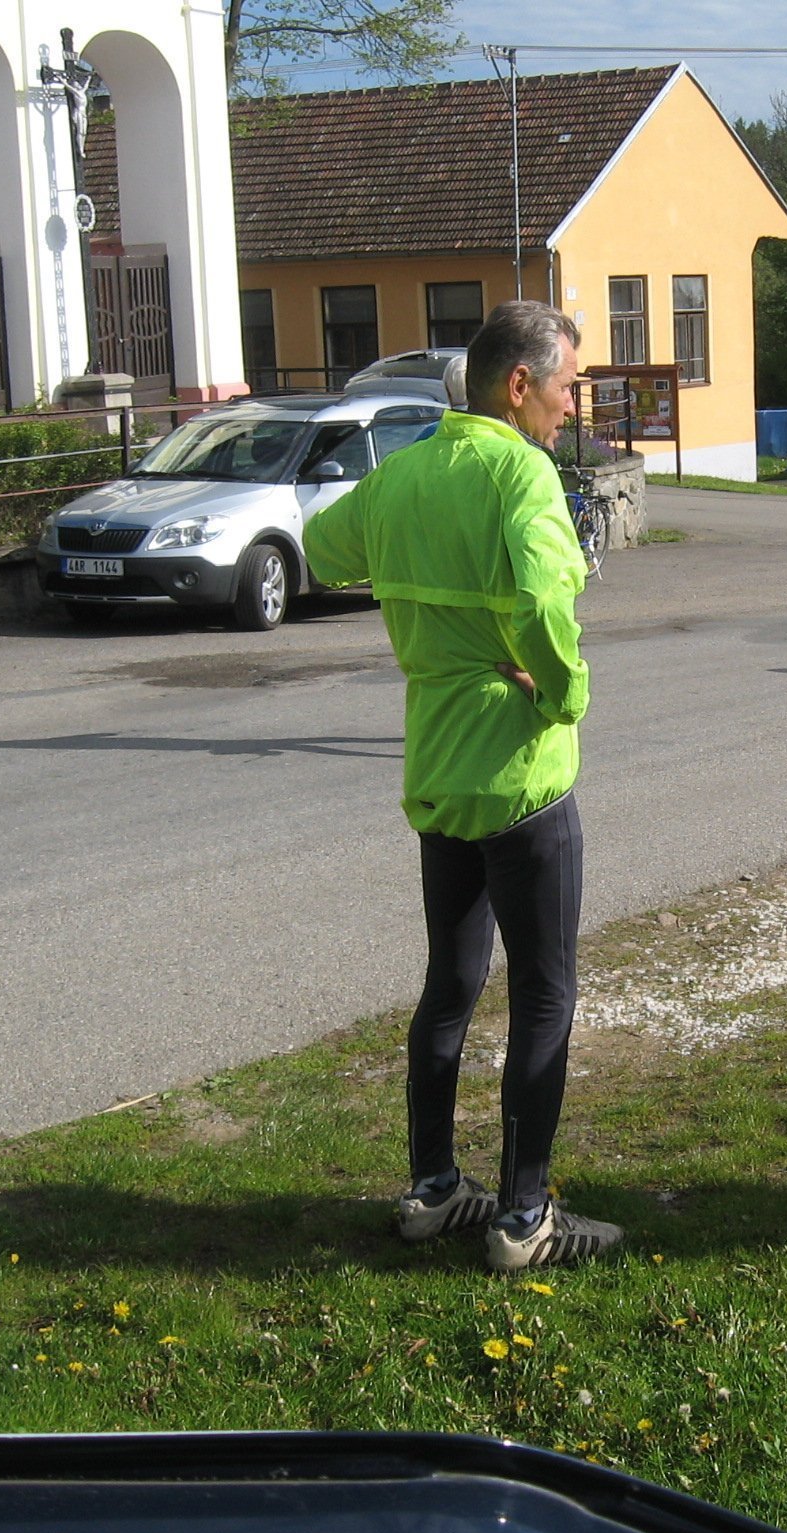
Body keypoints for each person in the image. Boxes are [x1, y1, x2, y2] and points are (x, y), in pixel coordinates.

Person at [302, 300, 623, 1271]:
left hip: (438, 769)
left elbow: (322, 550)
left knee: (449, 985)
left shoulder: (404, 474)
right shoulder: (518, 472)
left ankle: (432, 1188)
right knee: (543, 996)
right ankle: (524, 1221)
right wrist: (561, 694)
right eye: (568, 386)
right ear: (518, 384)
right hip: (521, 776)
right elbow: (537, 599)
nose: (573, 407)